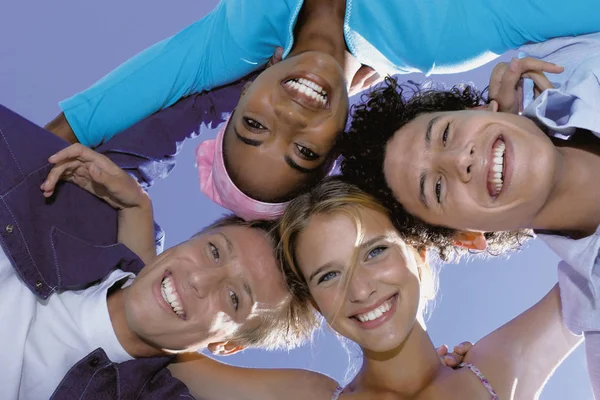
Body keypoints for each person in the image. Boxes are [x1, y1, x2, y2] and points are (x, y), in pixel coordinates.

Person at [46, 0, 600, 220]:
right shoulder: (438, 38)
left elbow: (95, 113)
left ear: (240, 97)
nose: (289, 116)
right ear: (340, 132)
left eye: (255, 126)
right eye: (305, 150)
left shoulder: (239, 37)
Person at [339, 32, 600, 396]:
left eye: (446, 134)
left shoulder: (570, 49)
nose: (461, 159)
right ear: (467, 235)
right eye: (437, 189)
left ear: (480, 110)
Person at [159, 178, 580, 400]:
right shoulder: (308, 395)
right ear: (316, 304)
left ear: (417, 252)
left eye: (375, 251)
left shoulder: (501, 368)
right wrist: (136, 221)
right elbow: (153, 347)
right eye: (328, 275)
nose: (360, 288)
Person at [0, 104, 310, 399]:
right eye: (214, 251)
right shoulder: (71, 214)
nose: (200, 280)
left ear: (226, 345)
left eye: (234, 298)